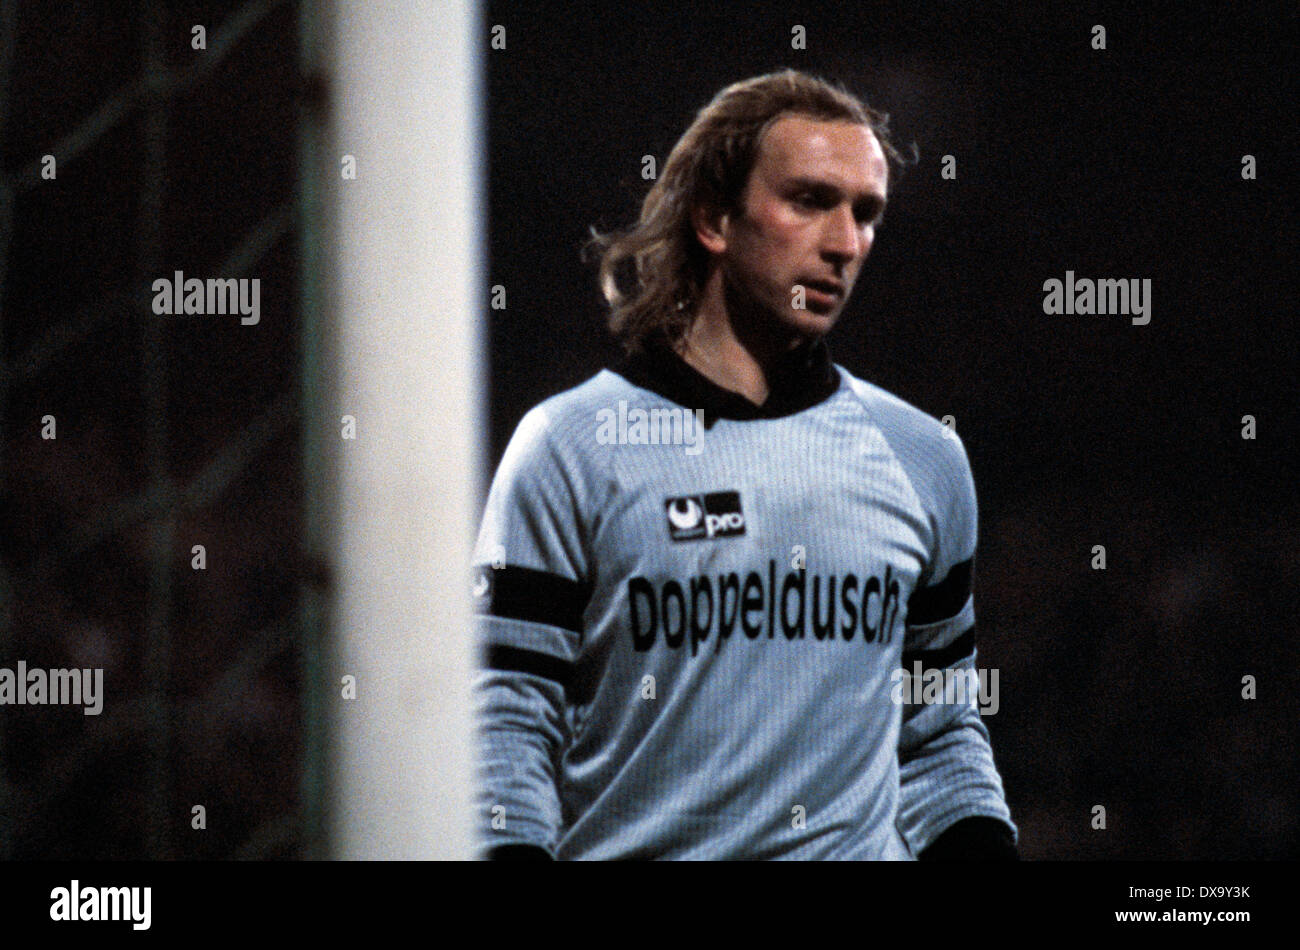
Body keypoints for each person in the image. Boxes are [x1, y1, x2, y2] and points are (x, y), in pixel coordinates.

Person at [472, 69, 1017, 860]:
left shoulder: (922, 457)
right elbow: (509, 721)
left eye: (866, 214)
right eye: (808, 200)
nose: (845, 243)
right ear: (713, 217)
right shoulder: (571, 448)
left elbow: (938, 732)